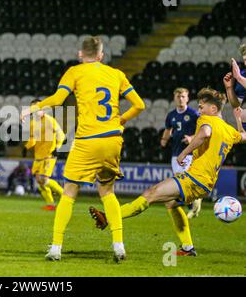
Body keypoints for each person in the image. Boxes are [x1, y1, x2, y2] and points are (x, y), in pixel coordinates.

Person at [20, 36, 146, 262]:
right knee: (107, 192)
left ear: (80, 54)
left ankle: (56, 247)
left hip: (88, 139)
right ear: (101, 55)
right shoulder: (116, 74)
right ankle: (118, 245)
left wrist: (34, 108)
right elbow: (140, 105)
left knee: (69, 192)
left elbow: (58, 99)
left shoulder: (75, 72)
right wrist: (121, 120)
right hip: (113, 139)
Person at [89, 88, 246, 256]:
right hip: (206, 183)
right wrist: (237, 116)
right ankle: (187, 248)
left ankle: (109, 218)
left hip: (194, 178)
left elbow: (205, 134)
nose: (199, 110)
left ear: (213, 109)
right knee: (171, 204)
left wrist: (184, 152)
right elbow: (244, 136)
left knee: (150, 193)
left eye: (202, 106)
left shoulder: (207, 120)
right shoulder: (229, 131)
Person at [160, 88, 201, 218]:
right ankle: (195, 203)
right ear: (174, 98)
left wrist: (191, 138)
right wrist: (164, 140)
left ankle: (193, 205)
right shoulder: (171, 115)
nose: (181, 99)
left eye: (183, 96)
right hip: (175, 152)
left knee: (183, 178)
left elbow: (204, 131)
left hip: (189, 152)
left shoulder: (194, 114)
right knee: (179, 180)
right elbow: (168, 129)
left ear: (187, 98)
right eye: (178, 96)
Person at [25, 99, 65, 210]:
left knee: (44, 179)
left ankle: (66, 196)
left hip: (49, 154)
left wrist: (58, 147)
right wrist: (26, 147)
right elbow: (33, 140)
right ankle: (50, 204)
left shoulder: (50, 120)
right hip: (38, 156)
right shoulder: (33, 123)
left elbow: (60, 134)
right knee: (39, 181)